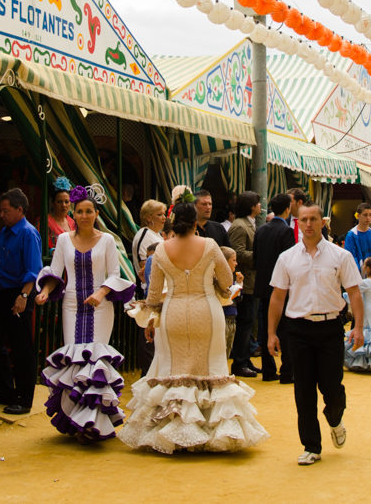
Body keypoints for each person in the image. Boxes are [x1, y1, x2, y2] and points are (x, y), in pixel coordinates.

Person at [119, 202, 268, 453]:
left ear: (173, 221)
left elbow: (154, 294)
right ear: (194, 220)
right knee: (210, 369)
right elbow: (227, 279)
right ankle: (209, 430)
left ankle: (172, 428)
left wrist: (152, 319)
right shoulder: (209, 246)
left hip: (173, 313)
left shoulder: (162, 250)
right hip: (206, 312)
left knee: (173, 369)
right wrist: (212, 284)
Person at [34, 185, 135, 441]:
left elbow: (114, 274)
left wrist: (101, 293)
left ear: (96, 214)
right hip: (71, 305)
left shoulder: (108, 240)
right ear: (74, 215)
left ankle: (95, 423)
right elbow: (56, 272)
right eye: (80, 211)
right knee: (76, 361)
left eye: (89, 211)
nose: (85, 215)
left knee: (96, 361)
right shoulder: (64, 240)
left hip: (101, 308)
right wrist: (45, 291)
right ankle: (76, 421)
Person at [267, 203, 364, 466]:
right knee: (304, 390)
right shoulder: (287, 258)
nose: (308, 224)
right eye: (304, 219)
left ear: (323, 222)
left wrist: (358, 327)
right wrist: (271, 333)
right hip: (297, 330)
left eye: (313, 219)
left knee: (332, 387)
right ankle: (311, 445)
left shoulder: (340, 256)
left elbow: (354, 292)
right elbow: (277, 297)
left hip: (331, 327)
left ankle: (335, 418)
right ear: (297, 222)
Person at [0, 187, 44, 415]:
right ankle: (5, 390)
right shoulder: (5, 232)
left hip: (20, 291)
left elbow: (33, 269)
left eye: (5, 211)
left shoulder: (28, 233)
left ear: (20, 210)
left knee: (21, 347)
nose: (1, 215)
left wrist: (24, 296)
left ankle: (24, 397)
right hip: (3, 292)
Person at [254, 193, 296, 382]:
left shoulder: (261, 230)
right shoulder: (286, 231)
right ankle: (287, 371)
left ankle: (268, 370)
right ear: (287, 209)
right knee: (285, 328)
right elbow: (290, 261)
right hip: (281, 286)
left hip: (263, 284)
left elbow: (256, 258)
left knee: (265, 328)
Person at [228, 190, 262, 377]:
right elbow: (237, 253)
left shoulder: (249, 224)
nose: (260, 206)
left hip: (251, 280)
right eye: (257, 203)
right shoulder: (240, 226)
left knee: (249, 323)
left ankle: (246, 358)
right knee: (245, 322)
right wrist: (259, 256)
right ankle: (239, 361)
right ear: (251, 206)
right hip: (245, 280)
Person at [131, 199, 166, 373]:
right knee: (148, 332)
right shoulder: (145, 234)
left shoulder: (158, 235)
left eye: (164, 214)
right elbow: (146, 266)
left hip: (160, 290)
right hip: (148, 289)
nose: (164, 218)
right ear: (148, 217)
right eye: (159, 214)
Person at [343, 203, 371, 275]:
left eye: (370, 215)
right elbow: (350, 257)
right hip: (358, 275)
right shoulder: (352, 235)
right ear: (358, 216)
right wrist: (362, 270)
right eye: (365, 215)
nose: (368, 218)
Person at [45, 177, 75, 252]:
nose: (63, 205)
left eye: (66, 202)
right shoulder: (45, 222)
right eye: (59, 202)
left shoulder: (72, 222)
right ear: (53, 203)